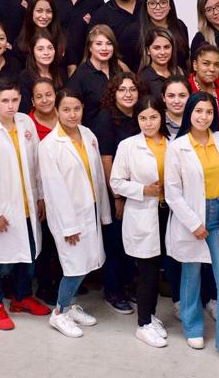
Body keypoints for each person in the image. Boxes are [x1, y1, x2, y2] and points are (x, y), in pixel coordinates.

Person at [164, 91, 219, 363]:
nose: (204, 116)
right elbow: (172, 192)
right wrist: (194, 223)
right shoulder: (178, 147)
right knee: (192, 274)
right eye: (198, 111)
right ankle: (193, 326)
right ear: (190, 113)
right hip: (192, 218)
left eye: (209, 112)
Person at [0, 77, 50, 330]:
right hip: (1, 208)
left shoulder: (26, 123)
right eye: (5, 100)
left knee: (29, 254)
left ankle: (21, 297)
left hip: (27, 204)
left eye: (15, 100)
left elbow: (36, 163)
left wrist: (40, 196)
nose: (11, 105)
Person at [38, 89, 112, 338]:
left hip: (90, 210)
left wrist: (103, 212)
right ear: (57, 111)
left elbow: (97, 177)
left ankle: (69, 306)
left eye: (77, 109)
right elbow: (54, 190)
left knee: (88, 262)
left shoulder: (88, 134)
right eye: (66, 109)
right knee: (74, 267)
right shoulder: (49, 146)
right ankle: (59, 312)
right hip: (68, 217)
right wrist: (69, 226)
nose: (72, 114)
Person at [110, 95, 171, 348]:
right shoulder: (128, 146)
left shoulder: (172, 143)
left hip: (167, 214)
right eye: (143, 118)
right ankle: (143, 324)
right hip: (144, 213)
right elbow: (116, 182)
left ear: (162, 116)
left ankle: (151, 315)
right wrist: (143, 190)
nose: (148, 123)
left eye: (153, 117)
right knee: (147, 270)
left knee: (159, 269)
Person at [92, 73, 143, 314]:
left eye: (132, 89)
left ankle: (128, 284)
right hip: (115, 191)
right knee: (115, 242)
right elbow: (106, 160)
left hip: (137, 191)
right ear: (114, 93)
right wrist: (117, 197)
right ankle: (113, 291)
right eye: (122, 89)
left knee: (131, 241)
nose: (128, 94)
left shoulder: (139, 116)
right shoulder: (106, 118)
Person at [28, 78, 61, 303]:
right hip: (41, 192)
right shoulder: (27, 125)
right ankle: (45, 285)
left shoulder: (66, 117)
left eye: (48, 94)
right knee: (46, 241)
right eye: (39, 96)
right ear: (32, 101)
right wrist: (39, 197)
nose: (45, 100)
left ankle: (65, 281)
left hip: (66, 190)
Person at [66, 25, 124, 131]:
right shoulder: (81, 75)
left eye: (109, 43)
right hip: (94, 134)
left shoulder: (117, 69)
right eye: (98, 44)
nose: (104, 48)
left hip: (120, 131)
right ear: (90, 47)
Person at [120, 0, 189, 72]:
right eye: (152, 3)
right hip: (144, 79)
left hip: (178, 78)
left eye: (163, 2)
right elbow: (120, 61)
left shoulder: (180, 26)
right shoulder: (133, 31)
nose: (158, 7)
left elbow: (185, 59)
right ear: (146, 7)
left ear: (170, 5)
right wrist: (132, 78)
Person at [18, 29, 68, 113]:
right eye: (40, 49)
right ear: (32, 51)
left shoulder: (61, 73)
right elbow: (24, 110)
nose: (46, 53)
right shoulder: (25, 77)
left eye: (50, 48)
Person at [16, 0, 67, 65]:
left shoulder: (63, 37)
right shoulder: (20, 42)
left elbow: (70, 65)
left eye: (49, 11)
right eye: (39, 11)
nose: (44, 16)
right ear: (31, 12)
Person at [138, 28, 185, 96]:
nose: (162, 52)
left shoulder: (180, 72)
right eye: (157, 48)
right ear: (148, 50)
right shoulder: (142, 79)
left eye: (166, 47)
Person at [189, 44, 219, 116]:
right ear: (195, 65)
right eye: (206, 63)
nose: (212, 69)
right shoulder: (186, 88)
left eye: (217, 65)